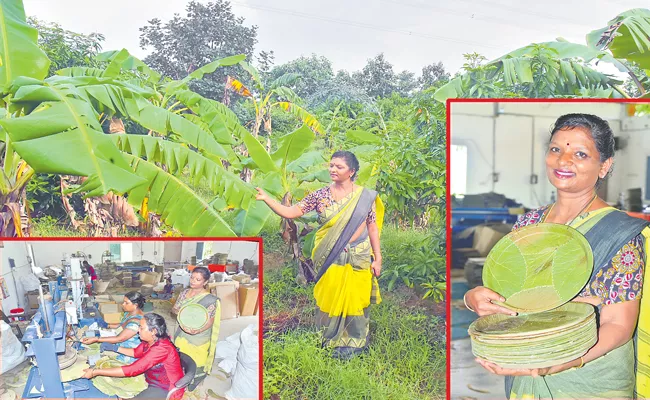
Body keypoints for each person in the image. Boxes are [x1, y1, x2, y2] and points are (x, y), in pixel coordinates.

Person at [464, 113, 650, 399]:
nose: (563, 161)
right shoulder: (529, 225)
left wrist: (564, 360)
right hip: (527, 362)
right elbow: (512, 296)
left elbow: (619, 325)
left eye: (580, 153)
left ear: (604, 166)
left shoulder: (620, 233)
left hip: (592, 380)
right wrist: (473, 296)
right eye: (556, 149)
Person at [256, 150, 384, 360]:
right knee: (331, 294)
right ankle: (329, 338)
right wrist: (267, 199)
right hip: (329, 254)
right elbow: (291, 212)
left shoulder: (365, 196)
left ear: (351, 171)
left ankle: (355, 341)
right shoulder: (320, 195)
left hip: (359, 255)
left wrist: (377, 257)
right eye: (331, 165)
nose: (333, 169)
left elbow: (372, 228)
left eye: (339, 167)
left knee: (355, 296)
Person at [82, 313, 184, 399]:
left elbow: (132, 369)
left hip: (164, 387)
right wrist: (114, 348)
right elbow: (136, 353)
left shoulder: (161, 349)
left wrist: (95, 372)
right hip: (151, 379)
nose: (138, 330)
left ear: (153, 331)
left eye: (141, 328)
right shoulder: (150, 340)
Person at [171, 266, 220, 390]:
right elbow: (174, 309)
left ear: (205, 282)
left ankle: (194, 380)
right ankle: (181, 376)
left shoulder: (210, 299)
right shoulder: (184, 293)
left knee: (197, 359)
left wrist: (197, 330)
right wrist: (179, 312)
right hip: (182, 330)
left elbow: (210, 321)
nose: (193, 281)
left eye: (198, 279)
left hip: (199, 335)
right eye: (192, 277)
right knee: (181, 354)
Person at [82, 291, 145, 364]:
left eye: (126, 303)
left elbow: (119, 339)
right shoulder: (129, 313)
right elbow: (122, 325)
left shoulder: (136, 323)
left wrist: (97, 339)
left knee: (93, 360)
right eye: (123, 302)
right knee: (91, 340)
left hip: (127, 353)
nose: (123, 305)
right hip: (119, 343)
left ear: (135, 305)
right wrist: (107, 325)